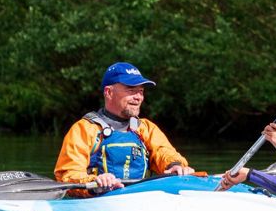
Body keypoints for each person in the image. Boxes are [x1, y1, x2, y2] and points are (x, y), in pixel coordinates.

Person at [54, 62, 195, 195]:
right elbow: (68, 174)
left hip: (140, 200)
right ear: (109, 92)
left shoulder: (146, 128)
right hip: (99, 200)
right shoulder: (84, 129)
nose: (138, 97)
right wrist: (94, 183)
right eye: (131, 90)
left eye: (141, 91)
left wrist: (175, 165)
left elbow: (163, 152)